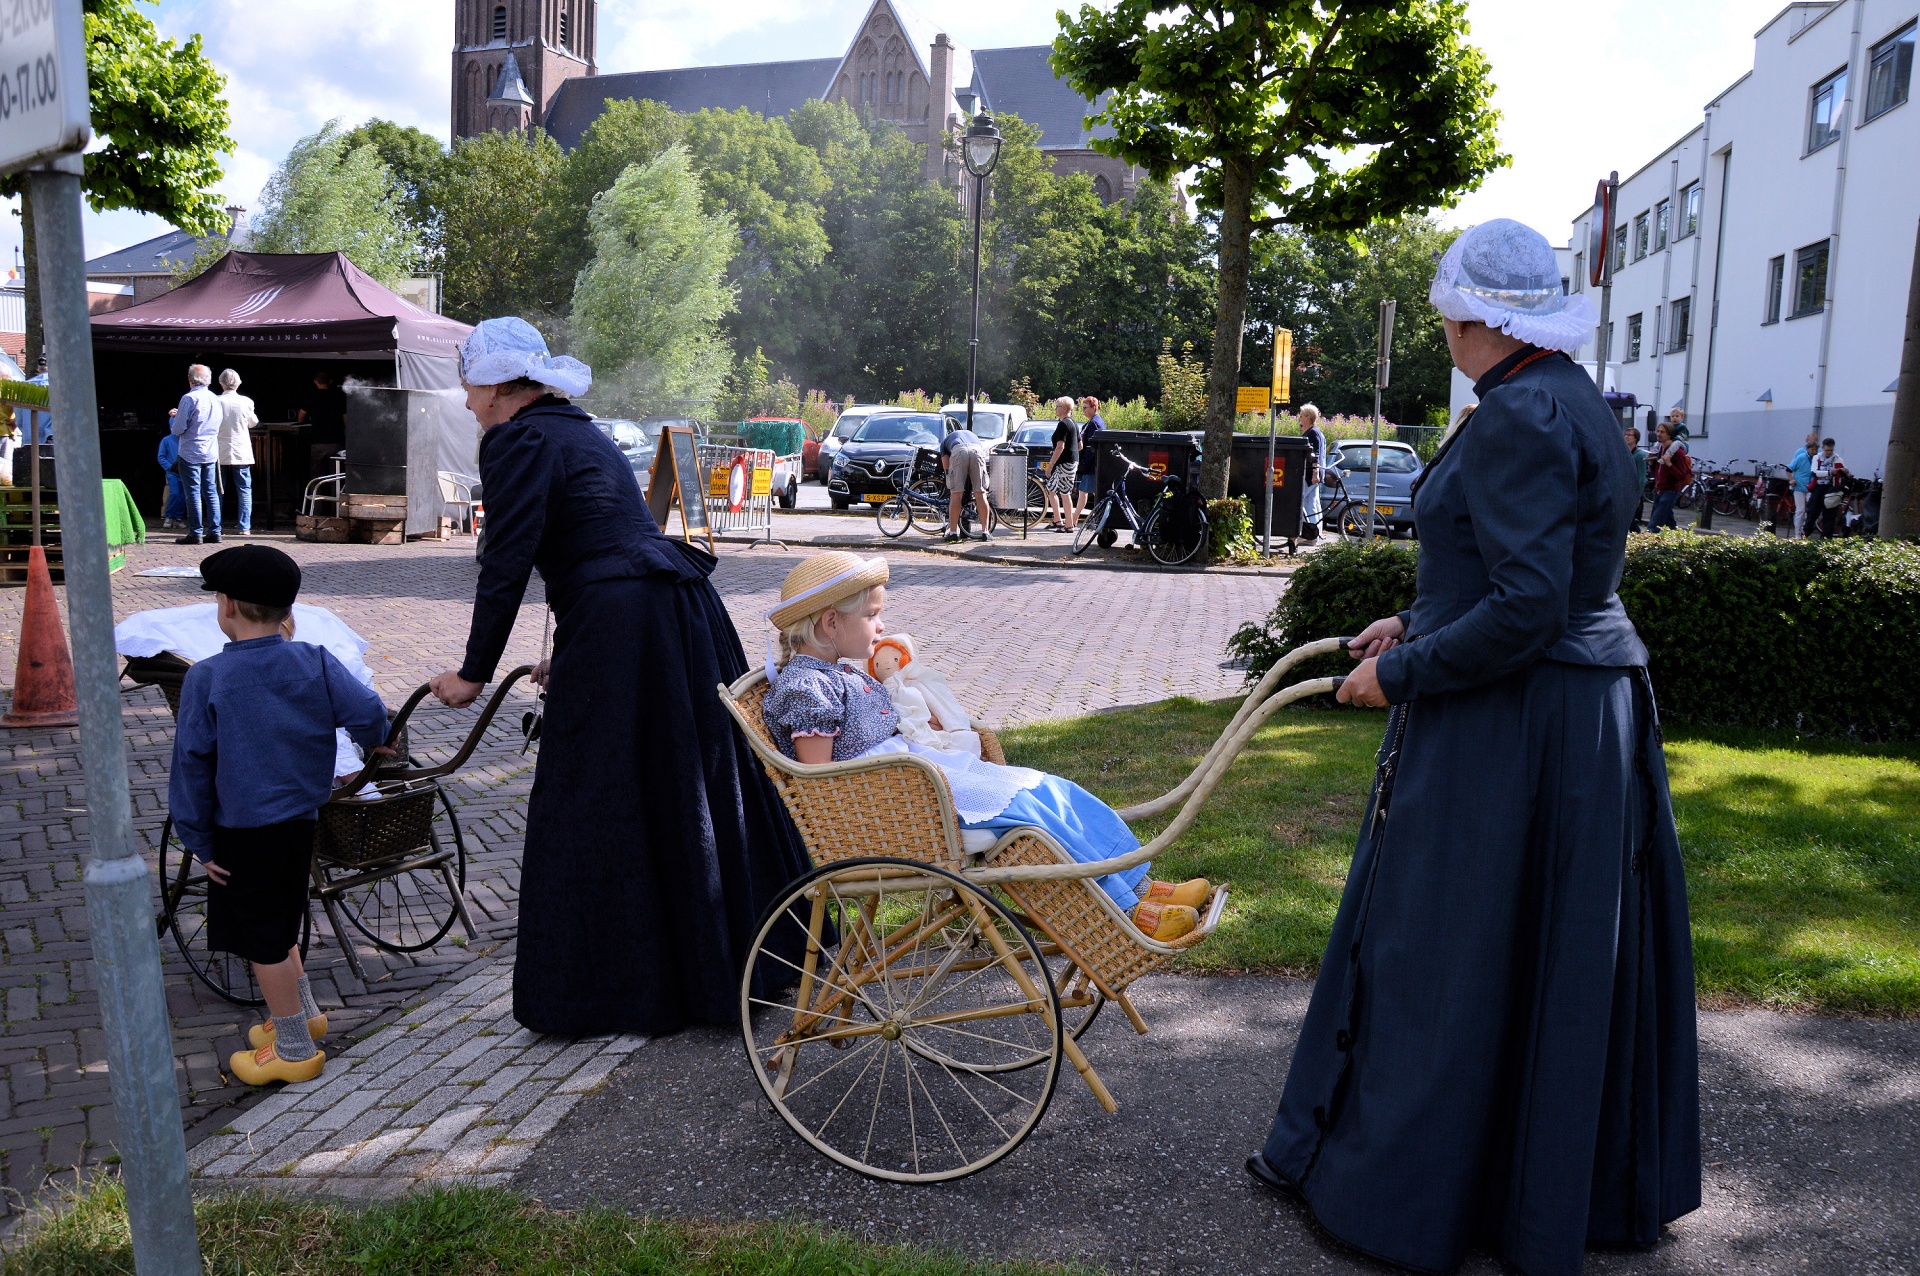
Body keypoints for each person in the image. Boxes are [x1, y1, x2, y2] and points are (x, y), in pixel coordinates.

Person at [1248, 219, 1699, 1276]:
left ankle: (1422, 1195)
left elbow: (1530, 606)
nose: (1445, 328)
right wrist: (1419, 616)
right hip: (1569, 715)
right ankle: (1528, 1188)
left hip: (1524, 720)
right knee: (1529, 955)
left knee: (1450, 948)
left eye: (1452, 310)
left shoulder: (1520, 414)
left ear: (1478, 317)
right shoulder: (1566, 395)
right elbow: (1523, 572)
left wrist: (1401, 672)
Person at [427, 317, 812, 1037]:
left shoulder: (518, 438)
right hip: (669, 615)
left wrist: (474, 674)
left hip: (629, 621)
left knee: (597, 794)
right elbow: (597, 546)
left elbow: (505, 566)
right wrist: (574, 651)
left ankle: (616, 991)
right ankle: (722, 964)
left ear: (498, 384)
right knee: (682, 779)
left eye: (469, 382)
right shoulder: (577, 431)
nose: (466, 398)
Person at [761, 553, 1208, 934]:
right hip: (896, 800)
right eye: (872, 615)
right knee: (1031, 815)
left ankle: (1140, 885)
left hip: (917, 778)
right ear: (831, 621)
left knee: (1046, 787)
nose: (881, 625)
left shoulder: (839, 672)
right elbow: (820, 779)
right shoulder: (807, 688)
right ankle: (1128, 913)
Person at [169, 545, 390, 1085]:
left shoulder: (209, 677)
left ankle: (293, 1050)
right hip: (301, 821)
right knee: (282, 922)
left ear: (227, 608)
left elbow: (192, 766)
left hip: (242, 830)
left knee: (262, 939)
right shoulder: (313, 658)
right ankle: (304, 1016)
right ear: (286, 610)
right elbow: (369, 713)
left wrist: (198, 838)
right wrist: (374, 746)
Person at [171, 364, 224, 545]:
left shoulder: (188, 398)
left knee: (192, 492)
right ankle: (215, 531)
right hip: (210, 451)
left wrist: (174, 418)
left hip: (190, 451)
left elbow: (178, 429)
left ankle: (196, 532)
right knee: (211, 492)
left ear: (190, 379)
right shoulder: (215, 399)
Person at [216, 369, 259, 537]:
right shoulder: (246, 401)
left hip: (219, 451)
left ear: (221, 383)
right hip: (241, 450)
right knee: (244, 489)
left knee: (217, 489)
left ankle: (216, 525)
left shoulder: (216, 401)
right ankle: (244, 527)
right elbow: (252, 423)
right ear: (238, 383)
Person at [940, 419, 993, 542]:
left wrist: (949, 477)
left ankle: (953, 533)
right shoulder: (973, 435)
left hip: (958, 451)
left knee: (956, 495)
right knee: (980, 493)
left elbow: (946, 466)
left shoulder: (945, 442)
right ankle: (985, 532)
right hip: (977, 450)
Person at [297, 370, 348, 476]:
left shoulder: (311, 397)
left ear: (315, 381)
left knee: (316, 476)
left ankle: (316, 493)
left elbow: (300, 418)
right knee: (336, 476)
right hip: (336, 442)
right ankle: (336, 493)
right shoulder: (339, 397)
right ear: (330, 381)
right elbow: (346, 420)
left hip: (318, 442)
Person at [1043, 396, 1081, 532]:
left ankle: (1069, 525)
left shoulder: (1063, 424)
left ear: (1064, 409)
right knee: (1051, 488)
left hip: (1064, 464)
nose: (1055, 408)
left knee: (1065, 493)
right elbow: (1080, 445)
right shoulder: (1074, 423)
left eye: (1057, 406)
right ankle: (1058, 520)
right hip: (1072, 462)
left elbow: (1060, 447)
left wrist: (1050, 465)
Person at [1647, 420, 1690, 530]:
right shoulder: (1659, 449)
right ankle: (1677, 537)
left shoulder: (1678, 452)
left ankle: (1647, 542)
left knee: (1654, 523)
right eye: (1658, 431)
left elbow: (1682, 475)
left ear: (1669, 434)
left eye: (1662, 432)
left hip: (1670, 490)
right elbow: (1657, 471)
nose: (1659, 434)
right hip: (1659, 489)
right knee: (1668, 521)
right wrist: (1652, 464)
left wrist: (1669, 464)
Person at [1073, 396, 1106, 520]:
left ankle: (1098, 518)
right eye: (1082, 407)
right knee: (1085, 491)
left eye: (1086, 407)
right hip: (1091, 465)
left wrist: (1084, 463)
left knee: (1091, 492)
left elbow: (1092, 447)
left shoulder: (1094, 423)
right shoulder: (1093, 422)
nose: (1083, 410)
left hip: (1092, 465)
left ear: (1094, 408)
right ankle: (1076, 517)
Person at [1298, 404, 1328, 538]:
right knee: (1312, 504)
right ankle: (1315, 534)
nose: (1300, 417)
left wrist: (1315, 474)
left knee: (1299, 500)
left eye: (1302, 415)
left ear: (1308, 418)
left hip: (1311, 474)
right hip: (1313, 474)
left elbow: (1315, 455)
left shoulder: (1313, 433)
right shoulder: (1316, 432)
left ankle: (1310, 534)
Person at [1808, 436, 1847, 538]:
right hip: (1819, 487)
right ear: (1822, 448)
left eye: (1831, 450)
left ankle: (1826, 538)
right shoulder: (1817, 458)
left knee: (1830, 514)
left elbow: (1842, 471)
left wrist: (1844, 471)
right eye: (1826, 450)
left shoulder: (1838, 459)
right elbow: (1814, 472)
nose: (1828, 452)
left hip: (1831, 488)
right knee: (1812, 511)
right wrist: (1829, 472)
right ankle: (1806, 533)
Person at [14, 356, 50, 448]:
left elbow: (19, 420)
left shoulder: (24, 387)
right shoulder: (61, 388)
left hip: (29, 441)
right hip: (52, 440)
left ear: (38, 368)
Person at [1787, 432, 1818, 538]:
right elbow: (1790, 468)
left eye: (1815, 447)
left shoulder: (1818, 456)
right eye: (1811, 447)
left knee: (1811, 508)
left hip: (1811, 486)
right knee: (1800, 510)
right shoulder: (1800, 454)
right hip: (1799, 486)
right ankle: (1797, 533)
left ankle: (1805, 529)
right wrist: (1792, 480)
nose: (1814, 450)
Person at [156, 431, 187, 529]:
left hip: (184, 472)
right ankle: (169, 516)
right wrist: (170, 467)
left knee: (182, 496)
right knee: (174, 493)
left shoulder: (186, 439)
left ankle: (178, 518)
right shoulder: (166, 440)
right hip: (172, 473)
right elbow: (161, 457)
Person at [1624, 425, 1648, 532]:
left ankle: (1639, 537)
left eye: (1629, 435)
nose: (1626, 437)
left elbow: (1641, 476)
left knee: (1629, 520)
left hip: (1633, 491)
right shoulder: (1624, 453)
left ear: (1636, 438)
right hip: (1625, 490)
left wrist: (1638, 495)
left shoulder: (1639, 455)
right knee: (1627, 519)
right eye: (1625, 434)